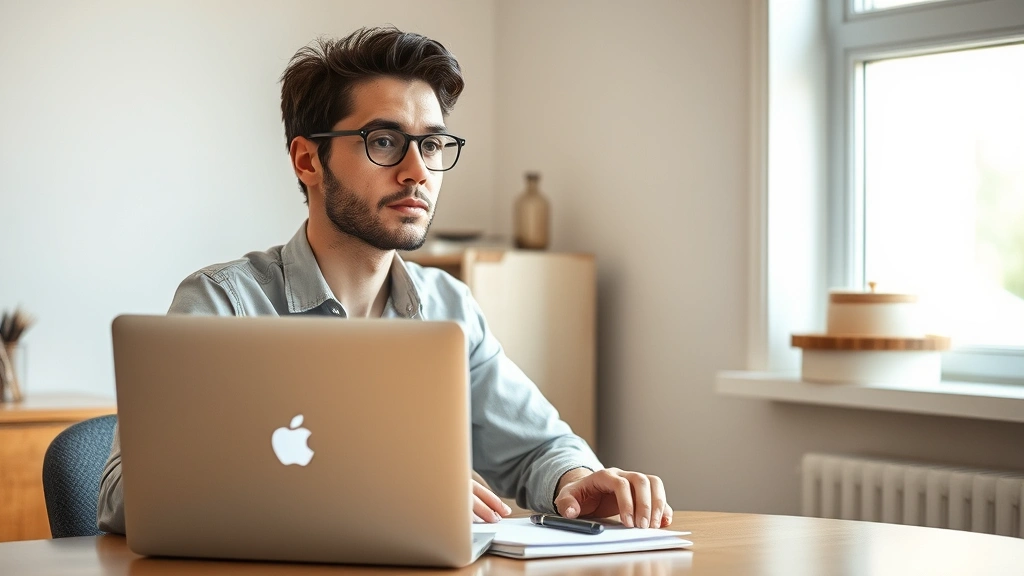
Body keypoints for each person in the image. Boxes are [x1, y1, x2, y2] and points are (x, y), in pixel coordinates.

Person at [97, 26, 672, 534]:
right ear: (307, 161)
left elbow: (539, 446)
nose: (418, 170)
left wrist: (577, 479)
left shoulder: (449, 306)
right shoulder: (224, 302)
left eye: (433, 143)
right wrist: (371, 483)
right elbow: (123, 499)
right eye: (385, 141)